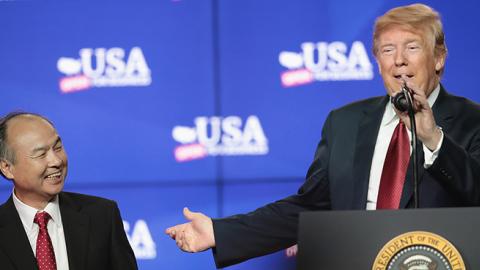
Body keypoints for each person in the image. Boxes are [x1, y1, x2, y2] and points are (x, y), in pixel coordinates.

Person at [166, 3, 480, 268]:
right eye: (387, 50)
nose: (399, 59)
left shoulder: (472, 121)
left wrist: (433, 138)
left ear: (438, 58)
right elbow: (309, 207)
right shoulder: (344, 123)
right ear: (378, 61)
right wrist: (219, 233)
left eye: (412, 47)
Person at [0, 112, 138, 270]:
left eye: (57, 147)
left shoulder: (103, 215)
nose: (56, 161)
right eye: (41, 154)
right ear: (7, 168)